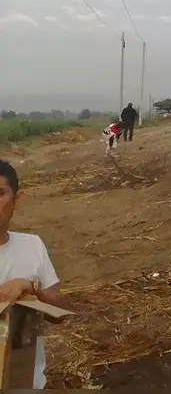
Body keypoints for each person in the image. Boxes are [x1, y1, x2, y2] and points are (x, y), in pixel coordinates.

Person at [0, 159, 72, 389]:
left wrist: (32, 288)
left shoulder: (32, 246)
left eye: (0, 194)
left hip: (27, 381)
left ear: (17, 199)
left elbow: (59, 314)